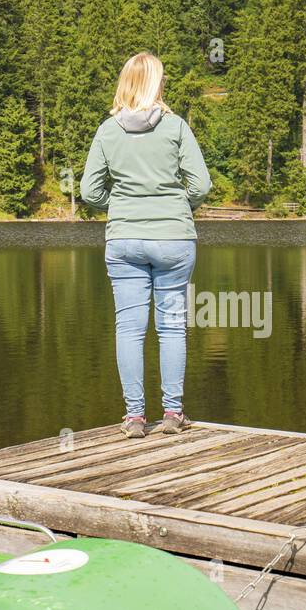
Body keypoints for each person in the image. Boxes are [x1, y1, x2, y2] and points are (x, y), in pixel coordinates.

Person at [80, 52, 212, 438]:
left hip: (124, 240)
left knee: (129, 328)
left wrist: (118, 206)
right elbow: (201, 185)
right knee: (171, 327)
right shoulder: (175, 127)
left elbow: (89, 191)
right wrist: (178, 206)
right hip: (173, 238)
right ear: (157, 84)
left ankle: (135, 418)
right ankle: (173, 414)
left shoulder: (107, 131)